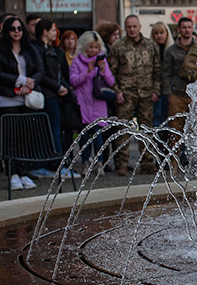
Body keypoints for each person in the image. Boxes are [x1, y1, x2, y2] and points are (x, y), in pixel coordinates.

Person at [0, 16, 43, 191]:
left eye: (19, 28)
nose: (16, 32)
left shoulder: (30, 49)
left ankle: (23, 172)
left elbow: (40, 70)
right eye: (12, 29)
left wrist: (30, 83)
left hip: (27, 98)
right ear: (7, 31)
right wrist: (21, 80)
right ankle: (12, 174)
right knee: (10, 138)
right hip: (6, 98)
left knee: (25, 136)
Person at [109, 15, 161, 175]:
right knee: (123, 129)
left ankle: (147, 163)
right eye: (129, 27)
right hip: (126, 94)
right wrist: (117, 91)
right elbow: (111, 72)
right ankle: (122, 164)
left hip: (146, 94)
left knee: (146, 129)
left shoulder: (150, 45)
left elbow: (157, 70)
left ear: (139, 27)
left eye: (134, 26)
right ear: (125, 28)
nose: (132, 29)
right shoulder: (118, 46)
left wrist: (156, 90)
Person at [161, 17, 197, 150]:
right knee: (175, 134)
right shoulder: (171, 51)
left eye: (189, 27)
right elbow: (165, 73)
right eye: (184, 27)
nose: (187, 30)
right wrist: (169, 95)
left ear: (193, 29)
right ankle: (174, 161)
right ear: (179, 30)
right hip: (177, 96)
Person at [30, 19, 70, 177]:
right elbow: (42, 73)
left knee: (54, 129)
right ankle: (53, 164)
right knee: (50, 130)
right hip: (45, 94)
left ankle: (53, 163)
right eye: (53, 30)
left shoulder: (52, 49)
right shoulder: (37, 49)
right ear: (45, 32)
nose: (55, 33)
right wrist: (57, 87)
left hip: (52, 93)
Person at [69, 31, 115, 167]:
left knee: (98, 134)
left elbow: (111, 82)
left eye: (96, 47)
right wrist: (87, 72)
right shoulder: (77, 61)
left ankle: (99, 163)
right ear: (84, 47)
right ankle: (85, 162)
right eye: (91, 47)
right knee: (84, 135)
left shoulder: (102, 61)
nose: (93, 50)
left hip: (98, 104)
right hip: (83, 103)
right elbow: (73, 81)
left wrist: (103, 71)